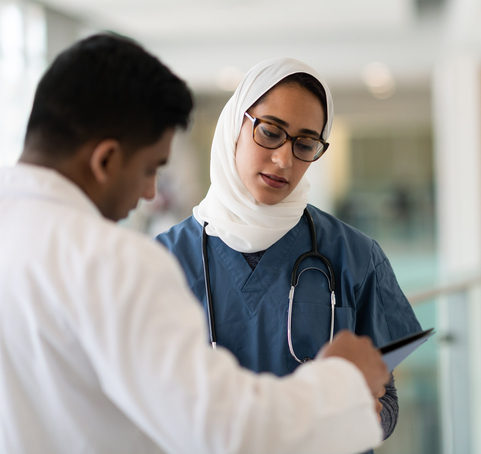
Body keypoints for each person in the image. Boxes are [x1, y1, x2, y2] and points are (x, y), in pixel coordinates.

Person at [0, 34, 391, 454]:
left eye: (305, 144)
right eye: (151, 168)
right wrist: (343, 381)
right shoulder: (114, 262)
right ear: (106, 160)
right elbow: (228, 431)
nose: (151, 193)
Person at [155, 57, 422, 445]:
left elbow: (388, 403)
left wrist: (366, 415)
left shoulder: (355, 256)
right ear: (235, 125)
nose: (284, 159)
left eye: (305, 143)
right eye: (269, 132)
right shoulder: (161, 262)